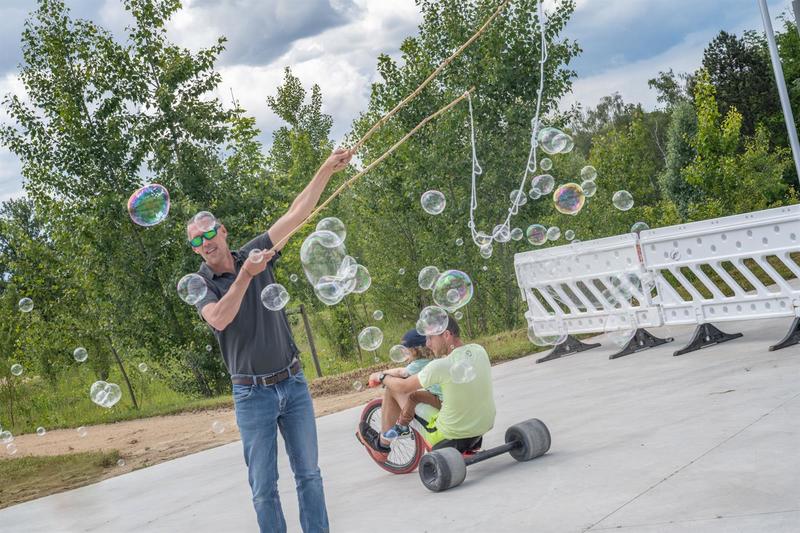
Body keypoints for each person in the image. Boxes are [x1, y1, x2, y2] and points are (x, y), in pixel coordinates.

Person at [189, 148, 352, 533]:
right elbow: (219, 318)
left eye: (210, 233)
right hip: (252, 394)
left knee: (309, 475)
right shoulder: (201, 285)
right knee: (264, 489)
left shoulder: (256, 251)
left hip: (292, 384)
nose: (206, 242)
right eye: (197, 240)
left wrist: (325, 168)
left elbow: (297, 213)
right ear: (195, 248)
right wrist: (246, 275)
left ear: (223, 231)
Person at [368, 317, 496, 454]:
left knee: (393, 389)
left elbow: (403, 387)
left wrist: (381, 376)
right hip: (483, 425)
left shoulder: (440, 366)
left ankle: (383, 445)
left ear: (446, 335)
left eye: (430, 338)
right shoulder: (479, 350)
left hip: (451, 434)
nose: (427, 344)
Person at [367, 330, 443, 444]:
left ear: (414, 351)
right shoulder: (435, 359)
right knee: (420, 393)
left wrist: (380, 375)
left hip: (440, 401)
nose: (405, 354)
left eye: (406, 351)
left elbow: (401, 372)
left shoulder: (418, 364)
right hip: (446, 398)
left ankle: (402, 426)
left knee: (414, 397)